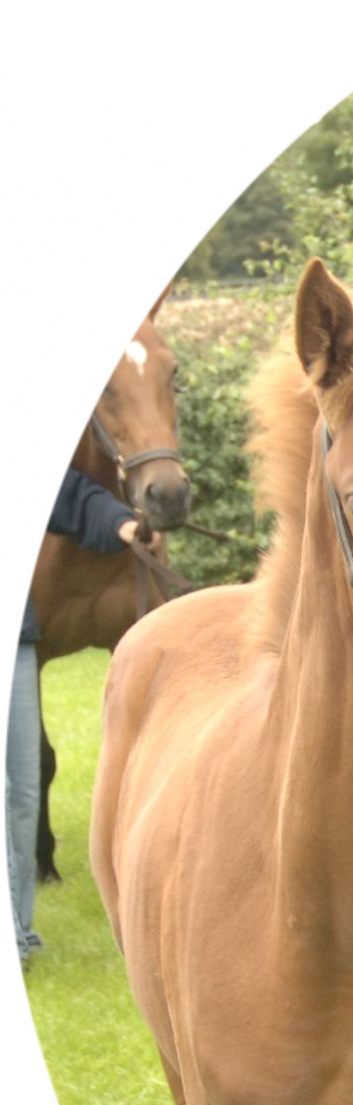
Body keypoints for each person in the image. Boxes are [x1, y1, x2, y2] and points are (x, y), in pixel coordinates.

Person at [0, 419, 148, 979]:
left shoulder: (7, 446)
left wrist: (121, 525)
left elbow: (64, 491)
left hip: (11, 643)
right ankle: (5, 943)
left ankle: (19, 928)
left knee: (21, 795)